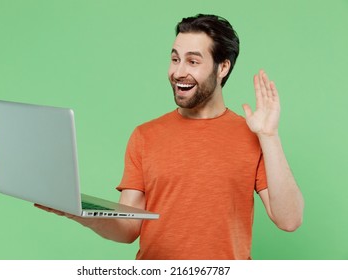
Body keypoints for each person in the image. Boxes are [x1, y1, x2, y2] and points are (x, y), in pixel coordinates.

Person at [36, 14, 304, 260]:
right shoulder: (145, 136)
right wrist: (81, 213)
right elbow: (129, 228)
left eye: (193, 61)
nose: (178, 72)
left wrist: (269, 136)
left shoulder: (252, 136)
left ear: (222, 67)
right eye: (175, 59)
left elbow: (289, 219)